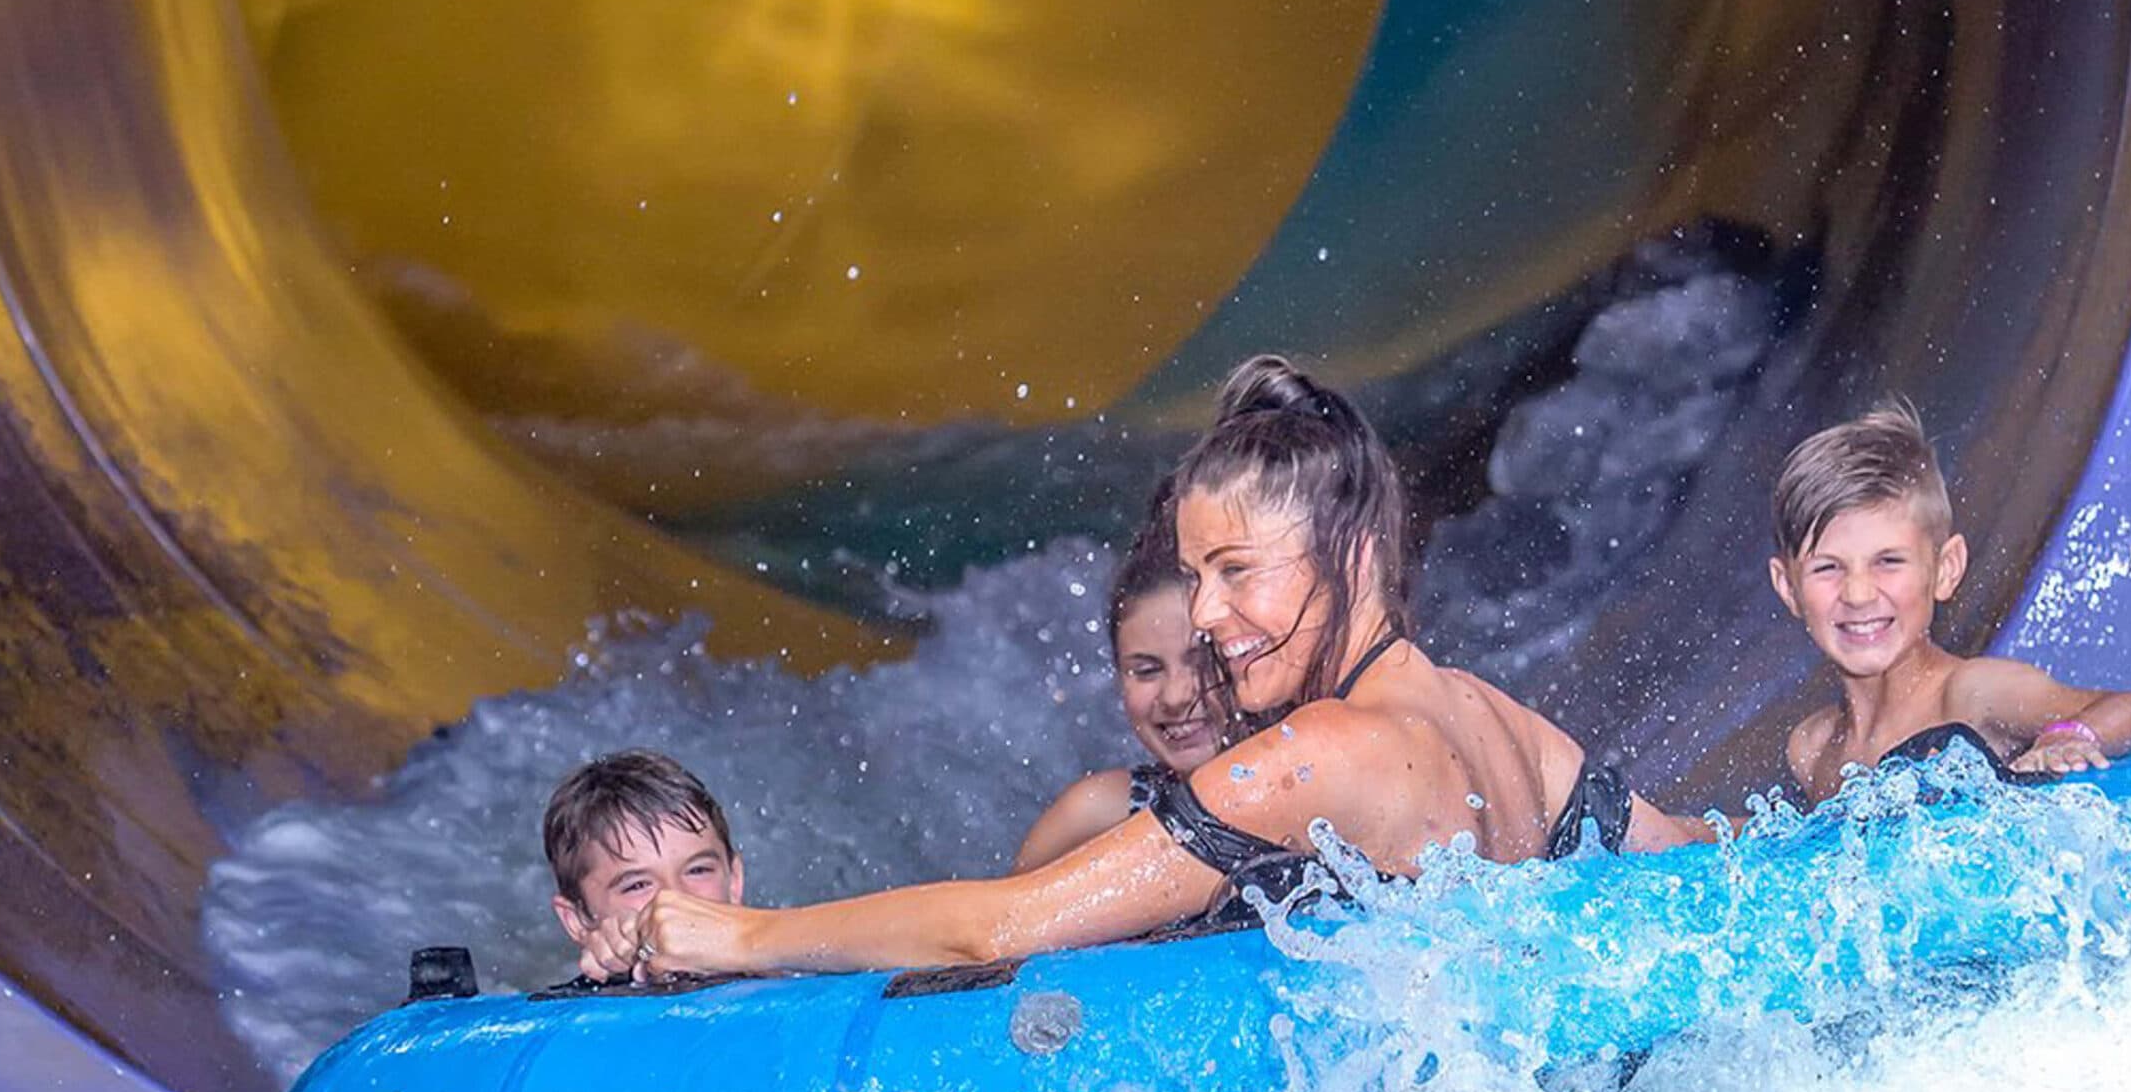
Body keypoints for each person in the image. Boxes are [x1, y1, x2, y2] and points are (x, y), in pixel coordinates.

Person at [575, 354, 1708, 984]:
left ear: (1356, 553)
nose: (1209, 616)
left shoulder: (1319, 754)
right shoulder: (1497, 719)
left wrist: (744, 934)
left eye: (1236, 572)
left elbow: (1004, 929)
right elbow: (1705, 864)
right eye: (1192, 575)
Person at [1767, 400, 2131, 803]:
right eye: (1827, 568)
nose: (1858, 594)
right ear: (1788, 587)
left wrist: (2066, 738)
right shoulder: (1812, 746)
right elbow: (1814, 838)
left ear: (1946, 569)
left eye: (1888, 561)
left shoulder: (1971, 694)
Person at [1011, 514, 1224, 873]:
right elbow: (998, 924)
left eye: (1201, 661)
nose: (1175, 696)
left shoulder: (1318, 783)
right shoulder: (1092, 819)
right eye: (1146, 671)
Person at [544, 750, 744, 954]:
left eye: (698, 870)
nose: (678, 902)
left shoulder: (775, 967)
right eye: (637, 885)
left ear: (734, 881)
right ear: (577, 921)